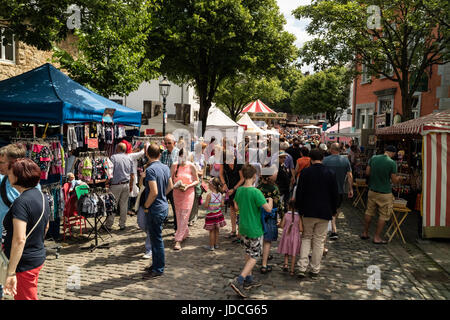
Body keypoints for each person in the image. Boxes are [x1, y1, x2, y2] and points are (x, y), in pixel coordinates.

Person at [3, 158, 50, 299]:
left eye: (10, 173)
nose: (8, 176)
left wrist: (11, 272)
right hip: (36, 256)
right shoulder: (41, 196)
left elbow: (19, 239)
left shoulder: (21, 202)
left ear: (18, 176)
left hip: (24, 263)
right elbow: (46, 226)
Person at [229, 164, 273, 298]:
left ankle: (249, 279)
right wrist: (270, 200)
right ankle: (240, 279)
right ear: (255, 176)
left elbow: (236, 207)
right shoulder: (256, 192)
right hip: (254, 228)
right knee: (255, 255)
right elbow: (268, 209)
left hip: (243, 227)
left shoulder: (240, 190)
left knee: (248, 252)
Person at [295, 149, 338, 279]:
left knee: (306, 237)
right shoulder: (330, 173)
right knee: (319, 240)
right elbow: (334, 194)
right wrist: (333, 210)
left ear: (310, 159)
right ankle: (315, 268)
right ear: (323, 158)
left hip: (308, 210)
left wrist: (299, 209)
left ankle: (302, 267)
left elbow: (300, 192)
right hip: (324, 211)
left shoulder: (305, 172)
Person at [361, 145, 404, 244]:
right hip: (385, 193)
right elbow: (394, 180)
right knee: (383, 215)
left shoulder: (373, 158)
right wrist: (400, 178)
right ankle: (376, 237)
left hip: (372, 191)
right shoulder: (392, 163)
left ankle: (365, 232)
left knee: (369, 212)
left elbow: (367, 173)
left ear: (385, 150)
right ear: (392, 153)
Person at [143, 143, 173, 278]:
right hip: (163, 206)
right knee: (156, 238)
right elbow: (170, 186)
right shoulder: (165, 167)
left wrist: (146, 206)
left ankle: (158, 268)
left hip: (155, 208)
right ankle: (156, 264)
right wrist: (163, 196)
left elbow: (153, 192)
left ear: (148, 154)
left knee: (156, 239)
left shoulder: (150, 170)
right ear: (160, 154)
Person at [322, 143, 354, 240]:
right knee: (336, 209)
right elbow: (350, 176)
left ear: (331, 149)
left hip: (326, 189)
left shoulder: (325, 160)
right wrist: (350, 188)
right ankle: (333, 229)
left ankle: (330, 228)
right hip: (339, 190)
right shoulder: (345, 160)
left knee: (328, 208)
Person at [170, 148, 199, 251]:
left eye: (185, 157)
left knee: (185, 214)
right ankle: (184, 232)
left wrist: (188, 185)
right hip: (177, 193)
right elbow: (170, 178)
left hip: (188, 193)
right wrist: (174, 185)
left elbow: (197, 180)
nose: (183, 159)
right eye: (181, 156)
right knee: (179, 215)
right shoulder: (175, 165)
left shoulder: (191, 166)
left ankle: (178, 240)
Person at [105, 143, 135, 231]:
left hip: (115, 185)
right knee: (124, 205)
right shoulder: (129, 158)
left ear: (117, 148)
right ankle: (122, 224)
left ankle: (109, 225)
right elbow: (132, 175)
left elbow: (110, 172)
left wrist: (106, 183)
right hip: (126, 184)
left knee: (113, 205)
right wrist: (131, 185)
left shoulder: (113, 158)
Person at [257, 169, 280, 274]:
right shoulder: (274, 189)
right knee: (267, 240)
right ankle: (264, 264)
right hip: (270, 215)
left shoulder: (258, 188)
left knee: (260, 237)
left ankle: (261, 254)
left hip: (258, 215)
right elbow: (279, 204)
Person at [220, 150, 244, 241]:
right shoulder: (224, 163)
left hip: (239, 187)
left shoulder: (239, 164)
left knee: (239, 208)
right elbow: (221, 174)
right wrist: (224, 184)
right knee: (232, 208)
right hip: (229, 186)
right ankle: (233, 230)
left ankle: (240, 231)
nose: (227, 163)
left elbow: (242, 179)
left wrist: (234, 189)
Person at [278, 200, 303, 276]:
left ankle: (286, 264)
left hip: (287, 236)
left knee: (286, 250)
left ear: (288, 206)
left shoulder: (286, 215)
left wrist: (280, 224)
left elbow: (282, 226)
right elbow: (301, 229)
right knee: (293, 253)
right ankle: (292, 270)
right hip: (295, 237)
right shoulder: (298, 217)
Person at [161, 134, 179, 231]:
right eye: (165, 143)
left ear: (174, 143)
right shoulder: (163, 153)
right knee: (162, 205)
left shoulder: (179, 153)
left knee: (175, 207)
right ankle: (161, 223)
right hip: (164, 184)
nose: (167, 145)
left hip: (174, 184)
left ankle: (177, 228)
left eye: (169, 143)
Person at [202, 177, 226, 251]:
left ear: (212, 186)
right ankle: (216, 244)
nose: (208, 186)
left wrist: (210, 206)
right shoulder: (220, 195)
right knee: (217, 230)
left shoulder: (209, 195)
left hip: (211, 215)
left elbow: (206, 206)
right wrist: (217, 205)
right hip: (218, 215)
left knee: (211, 231)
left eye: (209, 184)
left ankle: (211, 246)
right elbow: (222, 204)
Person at [127, 143, 147, 217]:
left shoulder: (129, 155)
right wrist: (145, 145)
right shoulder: (131, 155)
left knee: (133, 192)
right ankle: (131, 208)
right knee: (132, 192)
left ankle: (133, 208)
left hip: (132, 175)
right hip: (132, 175)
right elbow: (141, 153)